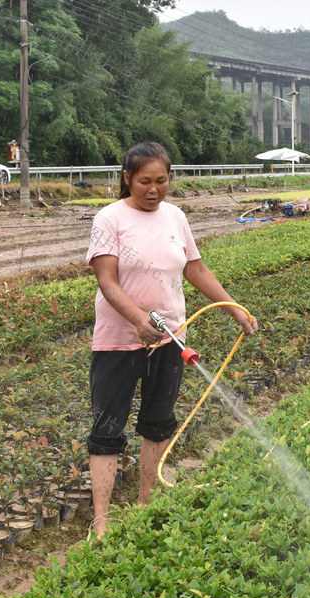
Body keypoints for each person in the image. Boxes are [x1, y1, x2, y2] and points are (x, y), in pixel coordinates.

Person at [84, 141, 258, 538]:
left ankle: (146, 504)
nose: (153, 190)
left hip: (170, 341)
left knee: (158, 423)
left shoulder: (176, 217)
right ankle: (101, 521)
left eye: (161, 181)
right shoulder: (109, 219)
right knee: (108, 429)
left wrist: (233, 306)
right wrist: (138, 319)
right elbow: (107, 282)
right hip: (118, 342)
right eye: (144, 181)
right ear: (127, 178)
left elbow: (195, 270)